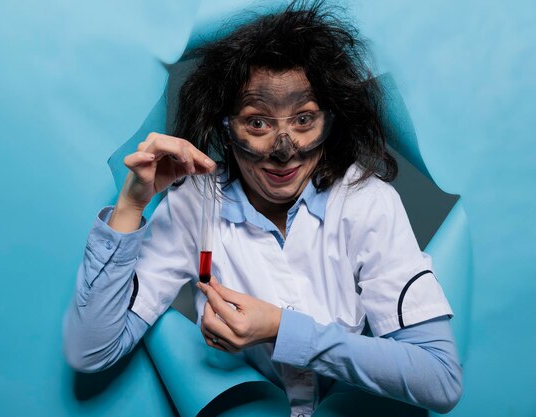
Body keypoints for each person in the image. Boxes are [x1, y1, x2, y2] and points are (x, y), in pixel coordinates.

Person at [63, 2, 462, 415]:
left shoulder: (365, 202)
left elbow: (440, 378)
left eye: (304, 119)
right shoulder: (195, 206)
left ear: (330, 120)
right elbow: (91, 351)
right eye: (257, 122)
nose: (284, 152)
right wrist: (131, 203)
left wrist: (280, 329)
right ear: (225, 125)